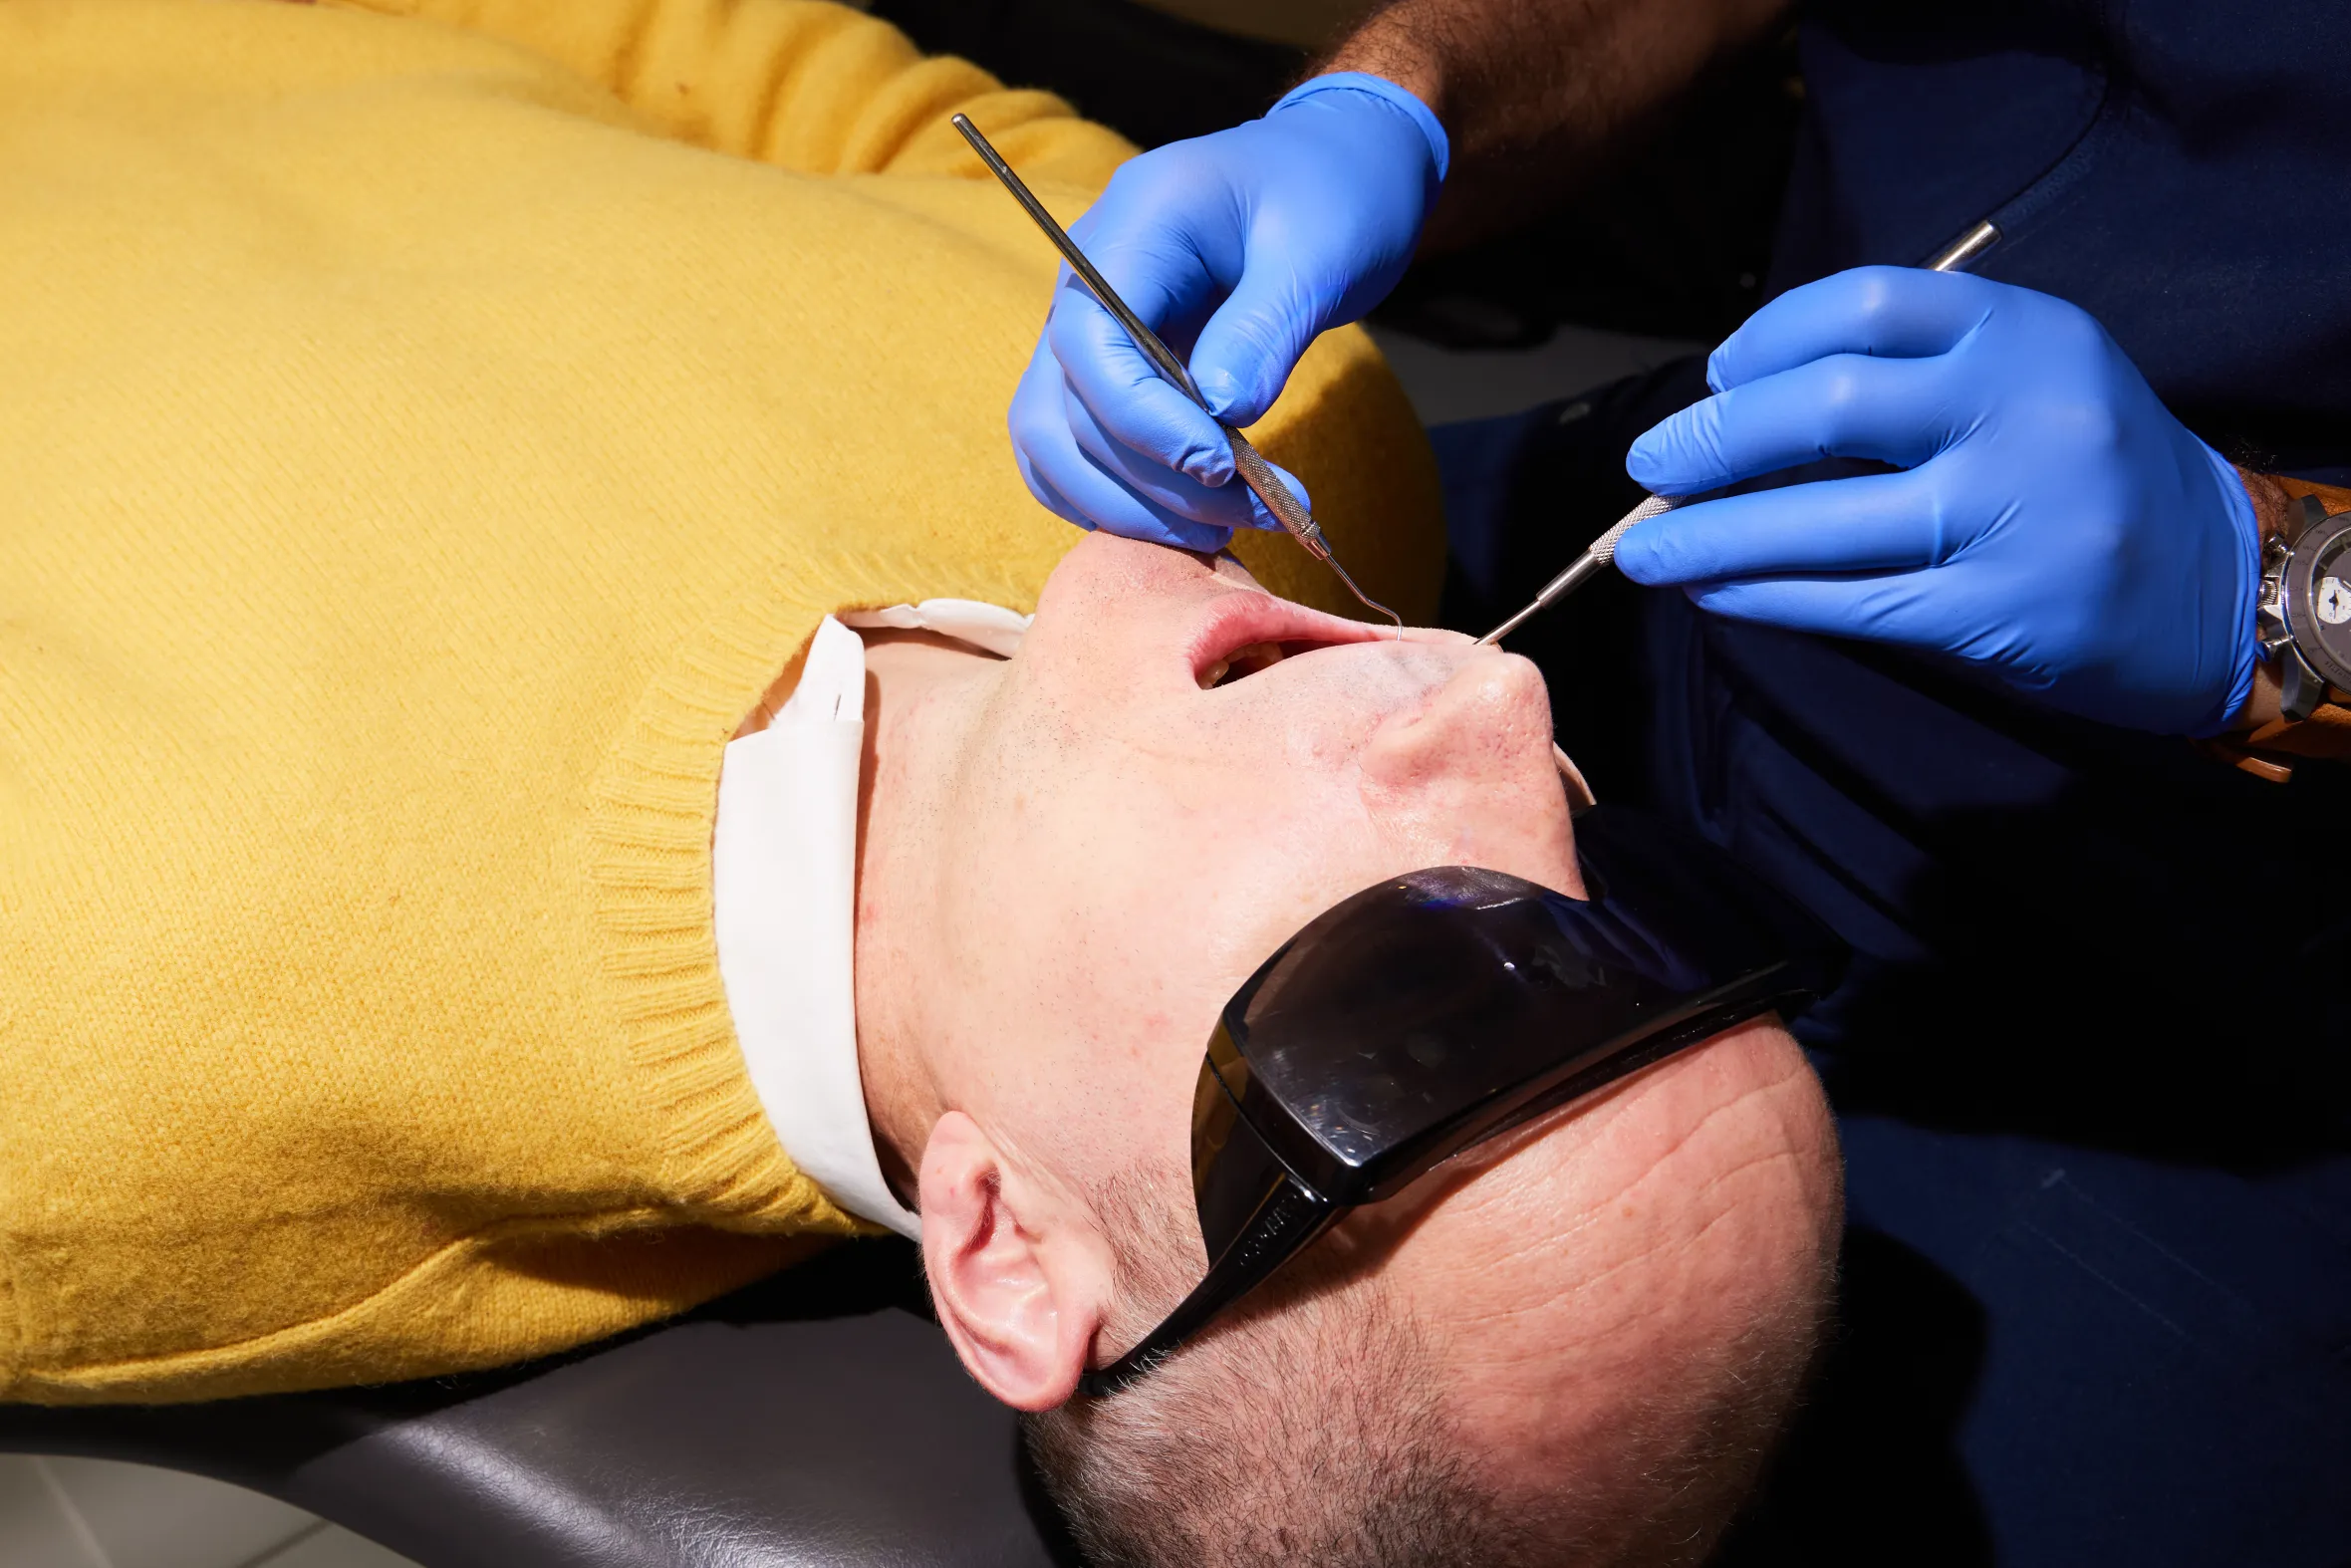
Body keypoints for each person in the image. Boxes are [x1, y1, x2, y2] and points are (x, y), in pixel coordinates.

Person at [2, 3, 1846, 1563]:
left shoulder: (82, 1067)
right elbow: (759, 68)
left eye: (1435, 1000)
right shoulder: (1305, 437)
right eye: (1635, 908)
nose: (1500, 703)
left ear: (1010, 1250)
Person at [1009, 0, 2351, 1562]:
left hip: (2222, 971)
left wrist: (2286, 593)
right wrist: (1399, 101)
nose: (1507, 703)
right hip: (1725, 504)